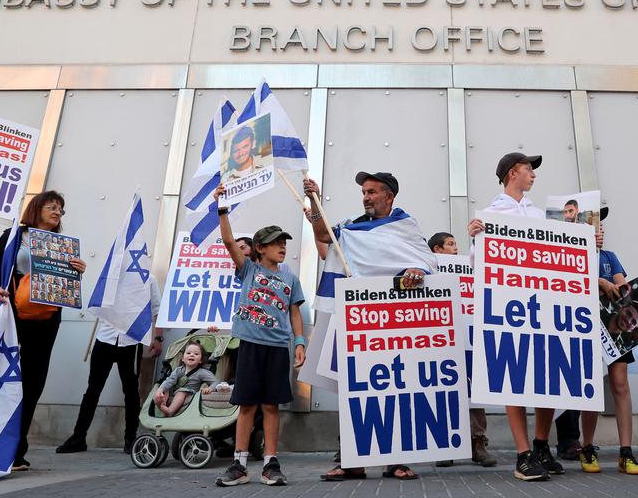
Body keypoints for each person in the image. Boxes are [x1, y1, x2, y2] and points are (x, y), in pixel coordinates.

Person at [305, 171, 436, 482]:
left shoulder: (405, 225)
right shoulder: (352, 226)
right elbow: (324, 236)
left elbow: (425, 259)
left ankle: (397, 461)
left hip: (394, 322)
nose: (366, 197)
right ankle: (352, 462)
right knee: (356, 391)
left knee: (396, 389)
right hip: (357, 320)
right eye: (364, 192)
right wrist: (314, 199)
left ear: (389, 196)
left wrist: (417, 268)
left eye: (372, 192)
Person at [467, 152, 564, 482]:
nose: (533, 175)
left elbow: (562, 255)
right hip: (511, 308)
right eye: (528, 169)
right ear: (513, 173)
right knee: (516, 379)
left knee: (546, 379)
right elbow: (480, 265)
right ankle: (523, 455)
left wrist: (588, 243)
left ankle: (540, 446)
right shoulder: (490, 215)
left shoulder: (540, 214)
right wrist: (476, 238)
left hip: (544, 306)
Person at [0, 190, 87, 471]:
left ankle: (17, 450)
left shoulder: (62, 247)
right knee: (4, 380)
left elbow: (62, 287)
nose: (57, 212)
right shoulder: (14, 236)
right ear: (36, 208)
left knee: (33, 383)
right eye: (52, 206)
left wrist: (76, 271)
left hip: (46, 321)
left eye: (61, 209)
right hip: (13, 318)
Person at [213, 185, 306, 487]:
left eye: (283, 242)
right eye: (275, 243)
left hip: (279, 347)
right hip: (251, 345)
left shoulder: (290, 277)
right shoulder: (249, 270)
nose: (282, 246)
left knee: (271, 405)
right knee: (248, 404)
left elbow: (294, 313)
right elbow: (228, 240)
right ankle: (239, 464)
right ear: (259, 248)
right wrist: (222, 208)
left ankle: (271, 462)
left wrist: (300, 343)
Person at [55, 276, 163, 454]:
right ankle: (78, 437)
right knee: (93, 389)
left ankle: (130, 438)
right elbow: (96, 303)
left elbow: (157, 309)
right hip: (105, 337)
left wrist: (157, 337)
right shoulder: (110, 274)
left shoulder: (148, 278)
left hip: (131, 339)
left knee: (130, 390)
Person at [579, 220, 638, 476]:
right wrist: (597, 282)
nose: (600, 230)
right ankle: (587, 447)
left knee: (620, 384)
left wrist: (612, 286)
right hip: (585, 326)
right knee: (591, 386)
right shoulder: (570, 255)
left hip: (614, 327)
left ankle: (626, 452)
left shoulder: (609, 256)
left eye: (601, 226)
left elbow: (621, 285)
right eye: (594, 226)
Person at [428, 232, 497, 469]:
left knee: (474, 391)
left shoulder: (471, 267)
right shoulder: (427, 268)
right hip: (443, 340)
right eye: (450, 244)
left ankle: (478, 443)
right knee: (445, 391)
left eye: (456, 244)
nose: (456, 248)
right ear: (437, 250)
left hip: (469, 339)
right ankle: (446, 444)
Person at [154, 340, 224, 416]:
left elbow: (216, 382)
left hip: (189, 393)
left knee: (181, 391)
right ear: (183, 358)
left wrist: (210, 389)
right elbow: (169, 381)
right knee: (165, 386)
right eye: (188, 353)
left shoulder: (202, 372)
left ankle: (170, 411)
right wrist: (161, 389)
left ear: (201, 360)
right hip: (174, 391)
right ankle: (162, 403)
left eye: (196, 354)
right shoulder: (178, 370)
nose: (192, 355)